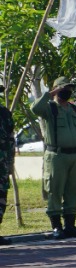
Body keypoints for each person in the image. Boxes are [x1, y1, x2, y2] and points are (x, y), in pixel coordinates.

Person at [31, 77, 76, 240]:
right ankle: (56, 227)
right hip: (57, 155)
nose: (67, 91)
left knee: (74, 190)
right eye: (64, 88)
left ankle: (70, 226)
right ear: (56, 89)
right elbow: (35, 109)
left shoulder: (75, 109)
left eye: (70, 88)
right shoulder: (50, 108)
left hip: (75, 155)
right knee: (54, 190)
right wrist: (50, 94)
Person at [0, 85, 14, 245]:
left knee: (1, 198)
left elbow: (11, 138)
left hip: (2, 164)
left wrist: (11, 163)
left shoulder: (4, 113)